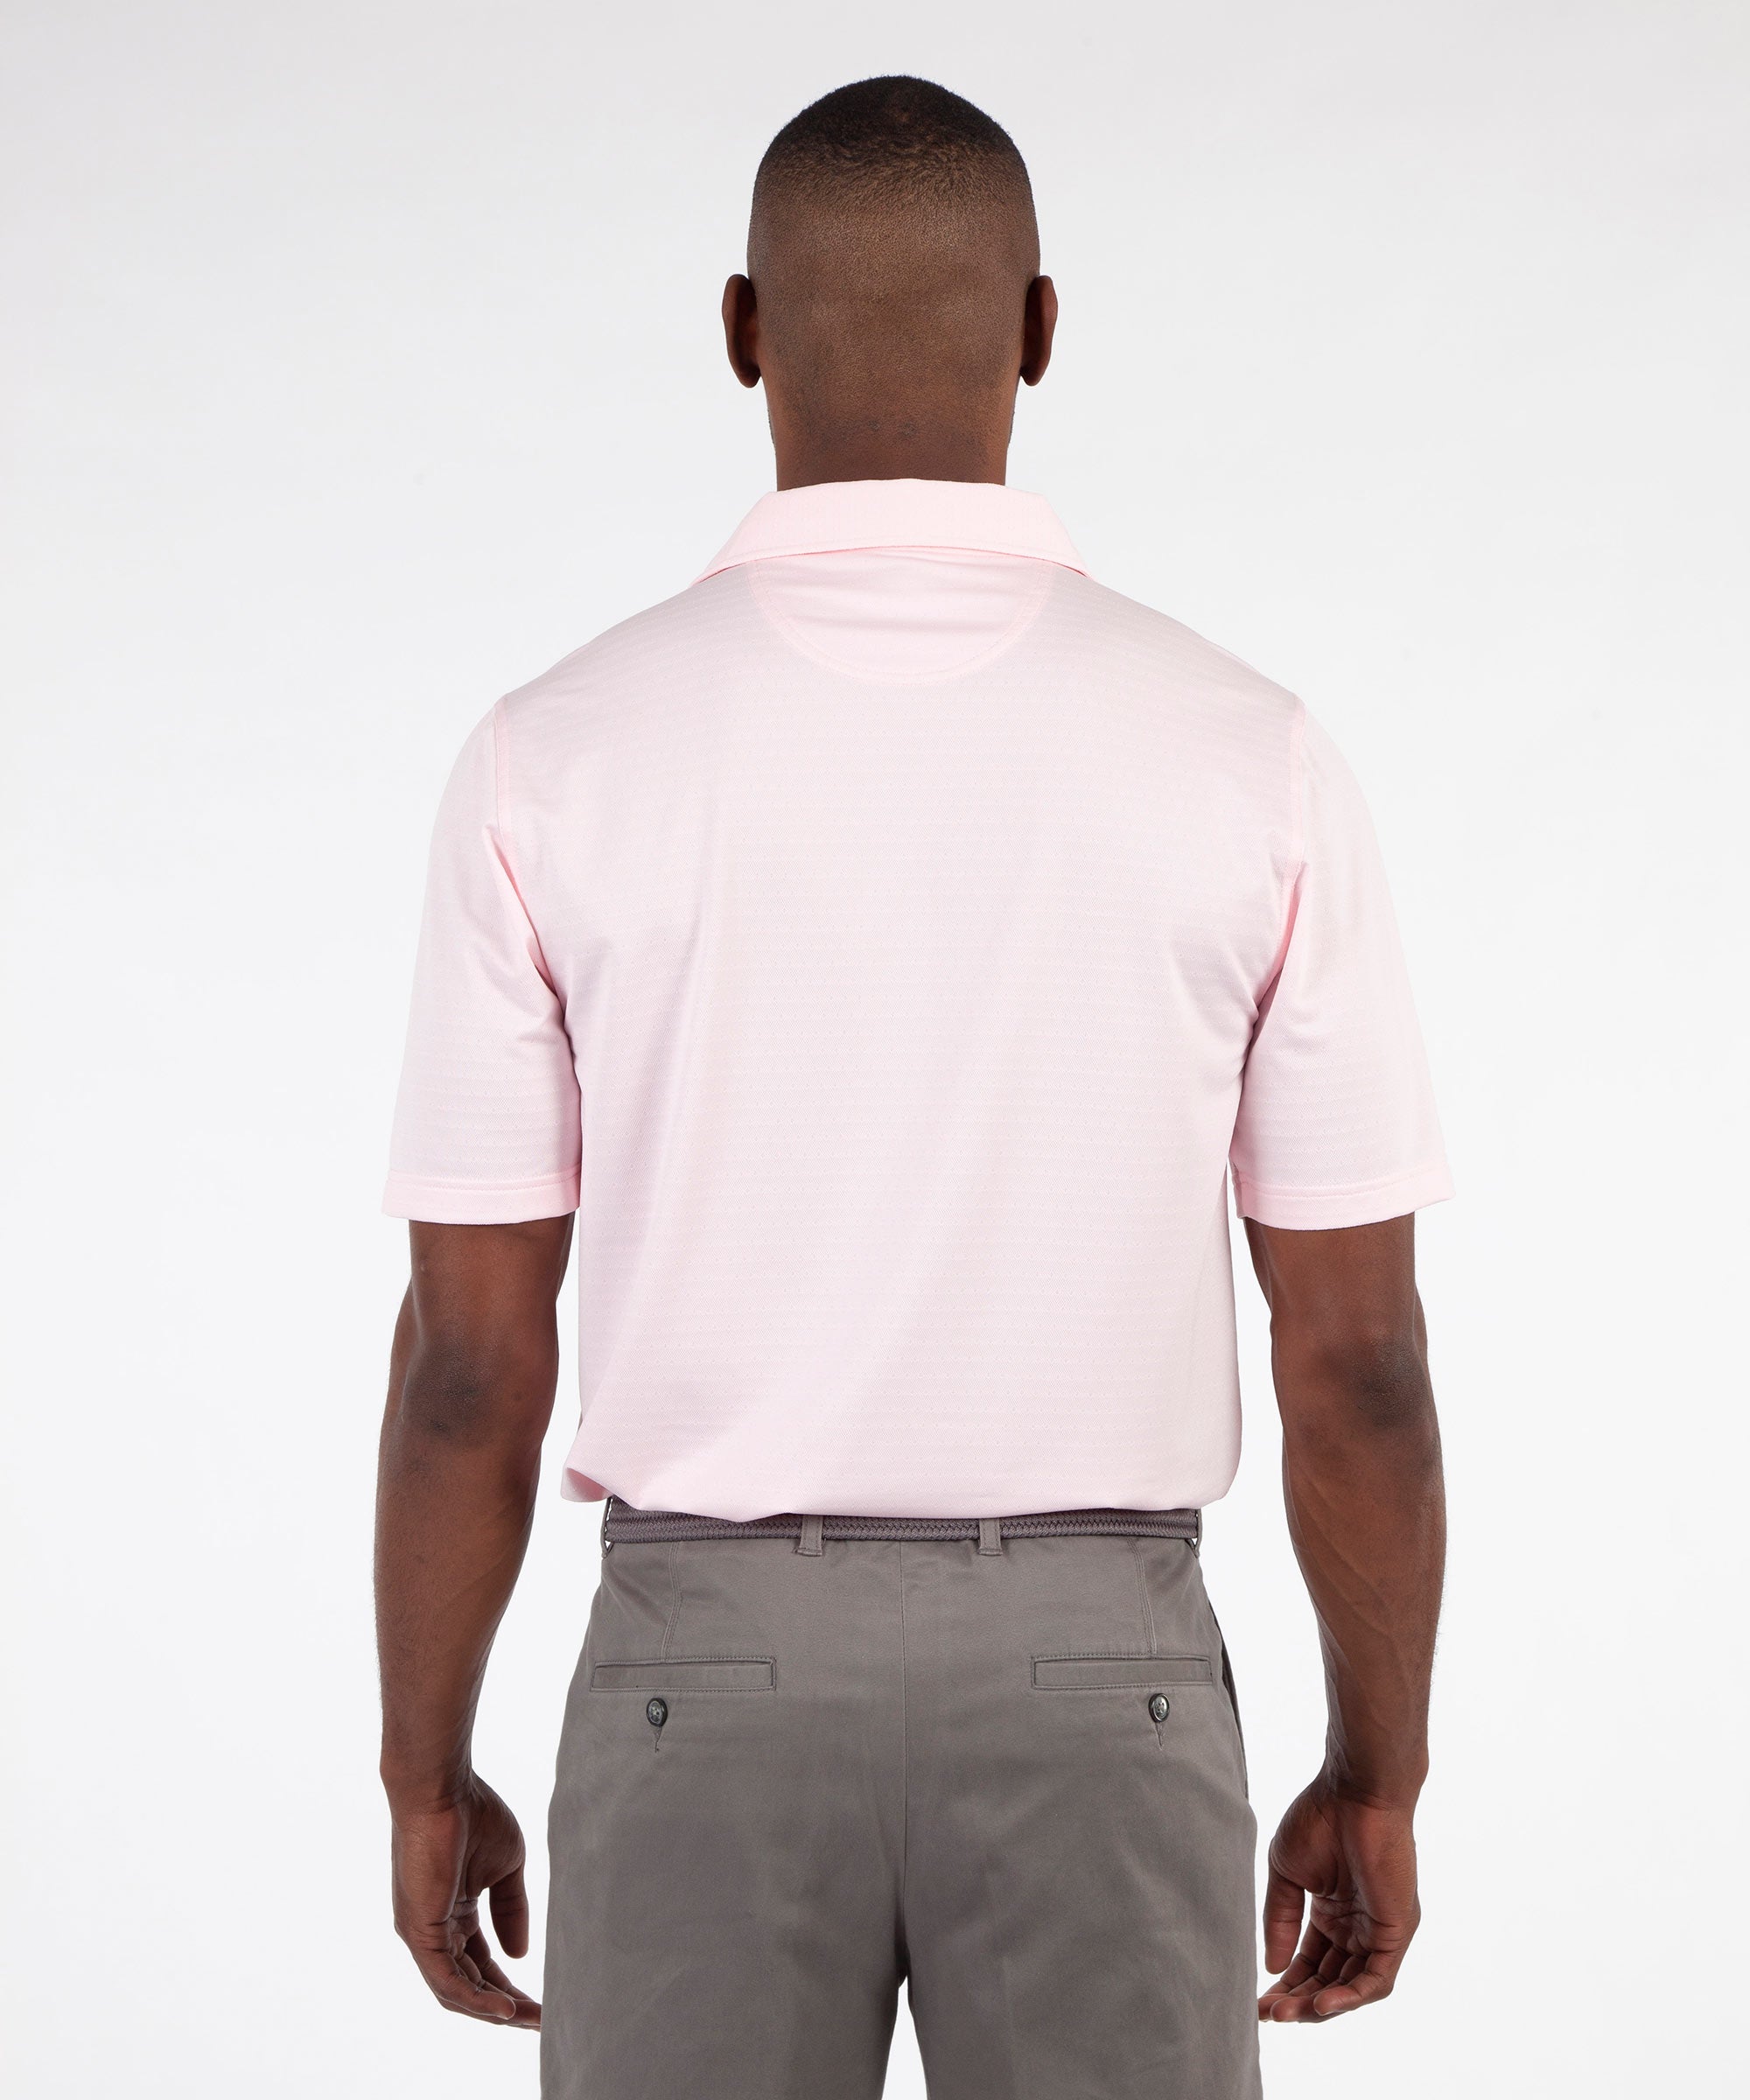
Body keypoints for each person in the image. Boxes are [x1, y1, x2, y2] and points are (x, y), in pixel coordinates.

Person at [374, 74, 1450, 2100]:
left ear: (741, 330)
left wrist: (421, 1770)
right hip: (1103, 1685)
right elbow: (1359, 1363)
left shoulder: (556, 755)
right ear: (1040, 329)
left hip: (700, 1683)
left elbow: (467, 1366)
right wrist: (1376, 1773)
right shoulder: (1248, 755)